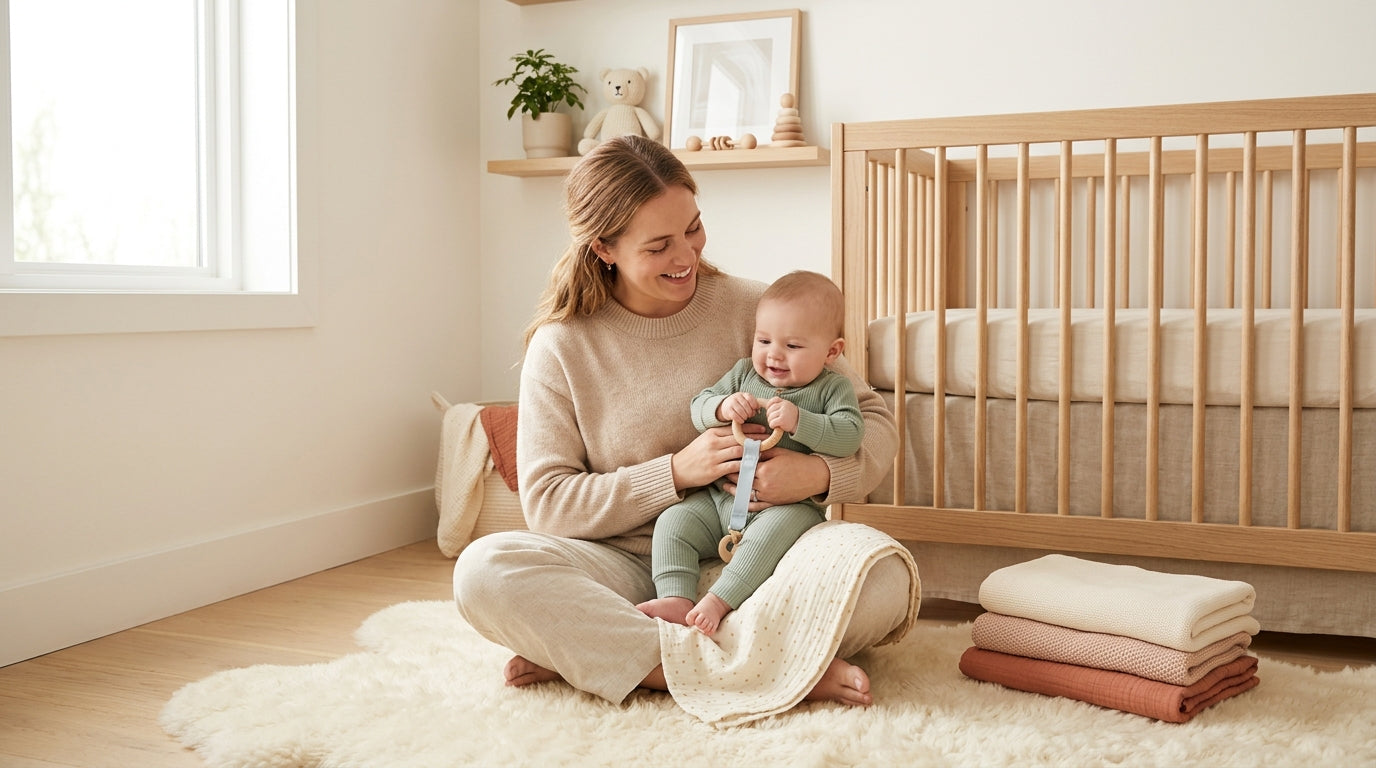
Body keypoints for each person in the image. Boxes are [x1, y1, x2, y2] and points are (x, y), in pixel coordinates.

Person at [452, 134, 911, 712]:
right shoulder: (561, 347)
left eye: (693, 228)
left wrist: (817, 475)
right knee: (485, 572)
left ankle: (606, 653)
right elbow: (548, 503)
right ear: (604, 247)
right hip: (618, 569)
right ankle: (763, 669)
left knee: (885, 576)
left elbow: (873, 419)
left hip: (759, 556)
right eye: (660, 245)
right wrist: (673, 472)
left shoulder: (758, 308)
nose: (687, 256)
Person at [636, 270, 863, 636]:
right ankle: (675, 597)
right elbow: (698, 407)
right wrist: (723, 406)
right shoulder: (744, 374)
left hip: (785, 508)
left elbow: (850, 435)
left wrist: (801, 422)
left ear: (832, 352)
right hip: (719, 501)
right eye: (764, 340)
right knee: (673, 522)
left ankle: (720, 599)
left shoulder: (831, 388)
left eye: (792, 346)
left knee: (769, 538)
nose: (774, 354)